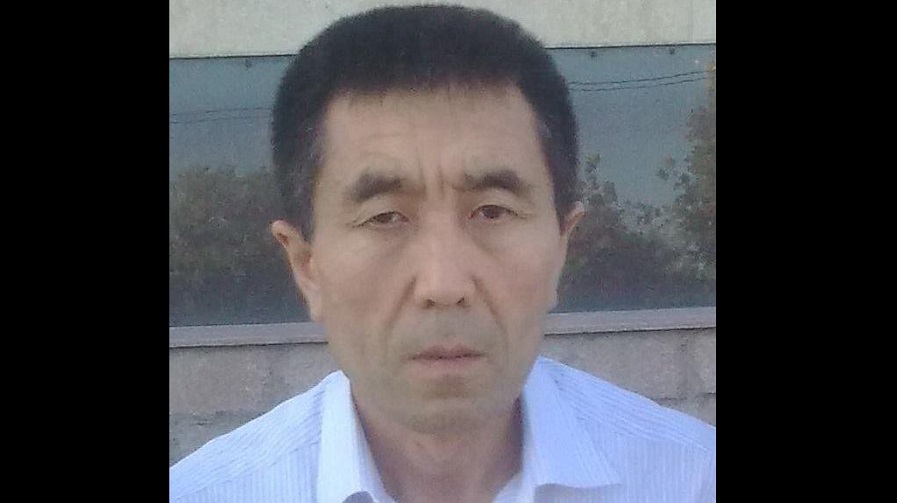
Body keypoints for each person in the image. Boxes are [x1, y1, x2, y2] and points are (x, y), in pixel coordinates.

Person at [169, 5, 716, 502]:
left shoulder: (692, 480)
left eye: (492, 211)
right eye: (385, 217)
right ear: (306, 266)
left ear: (561, 246)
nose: (443, 284)